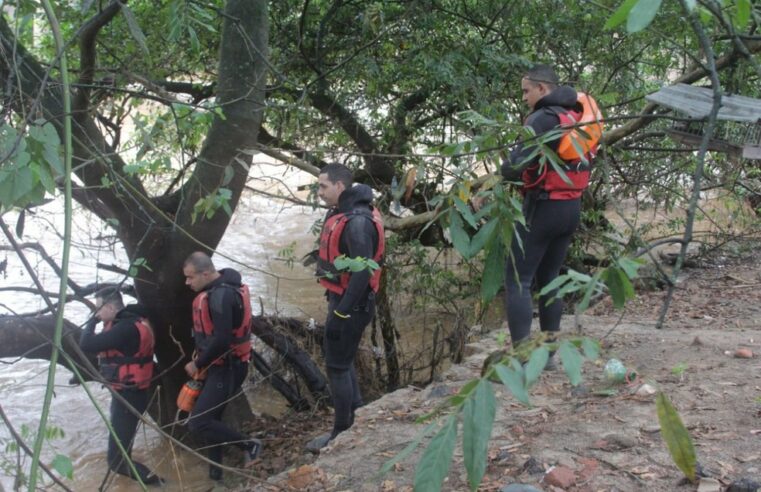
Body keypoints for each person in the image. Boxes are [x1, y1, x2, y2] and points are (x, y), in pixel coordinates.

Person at [499, 64, 600, 366]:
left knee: (517, 279)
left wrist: (504, 167)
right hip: (571, 208)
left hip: (544, 206)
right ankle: (550, 355)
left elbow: (513, 168)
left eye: (526, 91)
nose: (524, 98)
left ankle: (522, 359)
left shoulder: (542, 118)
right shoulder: (575, 116)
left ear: (542, 89)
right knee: (550, 278)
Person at [306, 163, 385, 453]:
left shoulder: (358, 222)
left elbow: (362, 273)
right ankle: (358, 412)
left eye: (323, 186)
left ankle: (340, 432)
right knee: (343, 359)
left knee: (337, 366)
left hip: (352, 304)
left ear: (340, 186)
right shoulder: (344, 212)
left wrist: (341, 313)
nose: (320, 192)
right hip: (343, 300)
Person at [182, 251, 261, 481]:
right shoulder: (219, 289)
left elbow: (223, 339)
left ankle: (250, 445)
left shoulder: (221, 296)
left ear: (205, 273)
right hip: (220, 366)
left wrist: (197, 363)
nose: (187, 283)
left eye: (190, 277)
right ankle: (215, 476)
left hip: (228, 368)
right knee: (211, 419)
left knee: (199, 422)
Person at [79, 287, 163, 485]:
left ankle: (161, 485)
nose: (97, 314)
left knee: (117, 462)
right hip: (130, 393)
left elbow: (86, 344)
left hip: (128, 397)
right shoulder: (131, 321)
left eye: (98, 309)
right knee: (122, 452)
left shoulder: (125, 328)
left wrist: (91, 321)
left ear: (109, 307)